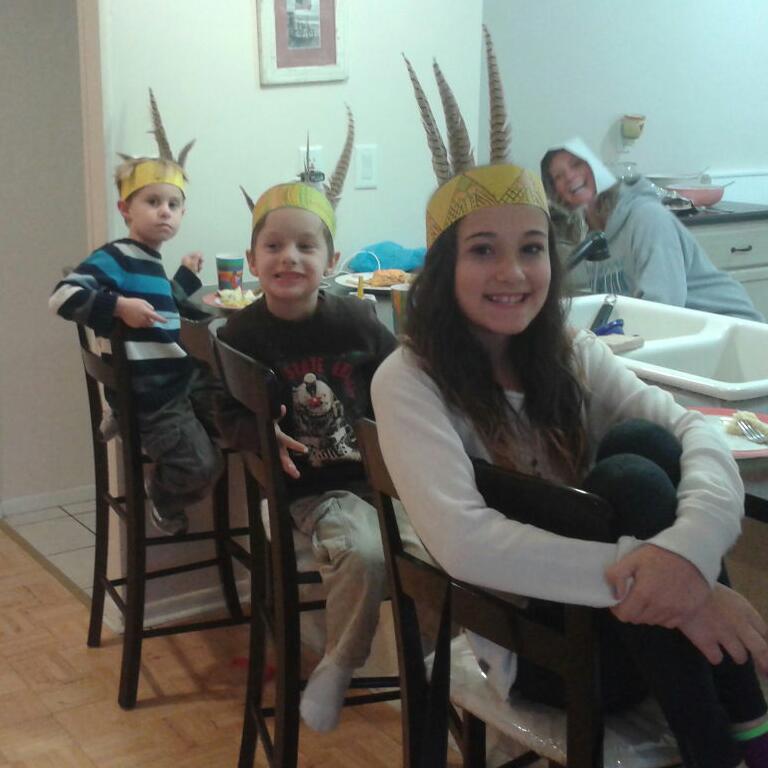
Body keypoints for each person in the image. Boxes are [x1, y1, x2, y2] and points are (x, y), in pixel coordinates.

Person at [373, 33, 768, 768]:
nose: (513, 272)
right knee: (631, 476)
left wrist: (685, 557)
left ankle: (729, 741)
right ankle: (741, 733)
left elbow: (696, 433)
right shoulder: (408, 378)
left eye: (530, 248)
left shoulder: (571, 351)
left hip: (621, 622)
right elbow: (466, 543)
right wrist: (669, 582)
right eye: (482, 250)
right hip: (538, 651)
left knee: (642, 454)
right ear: (442, 268)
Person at [216, 107, 423, 733]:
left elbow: (399, 383)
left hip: (379, 480)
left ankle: (462, 666)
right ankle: (339, 664)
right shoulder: (240, 335)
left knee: (457, 541)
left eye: (306, 246)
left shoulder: (358, 321)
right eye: (274, 246)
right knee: (365, 553)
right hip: (311, 492)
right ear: (252, 260)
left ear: (331, 261)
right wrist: (258, 434)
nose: (290, 257)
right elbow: (217, 408)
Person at [50, 89, 223, 536]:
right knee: (202, 465)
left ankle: (121, 411)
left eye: (174, 205)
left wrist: (183, 279)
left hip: (174, 380)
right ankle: (161, 494)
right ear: (125, 209)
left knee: (230, 409)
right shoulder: (118, 256)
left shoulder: (147, 258)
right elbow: (62, 296)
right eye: (153, 202)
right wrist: (118, 307)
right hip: (154, 397)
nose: (165, 212)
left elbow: (158, 307)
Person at [540, 137, 764, 322]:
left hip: (729, 329)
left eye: (576, 165)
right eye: (558, 176)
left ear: (595, 168)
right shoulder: (591, 238)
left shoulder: (647, 218)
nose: (569, 176)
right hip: (679, 333)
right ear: (555, 192)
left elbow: (662, 311)